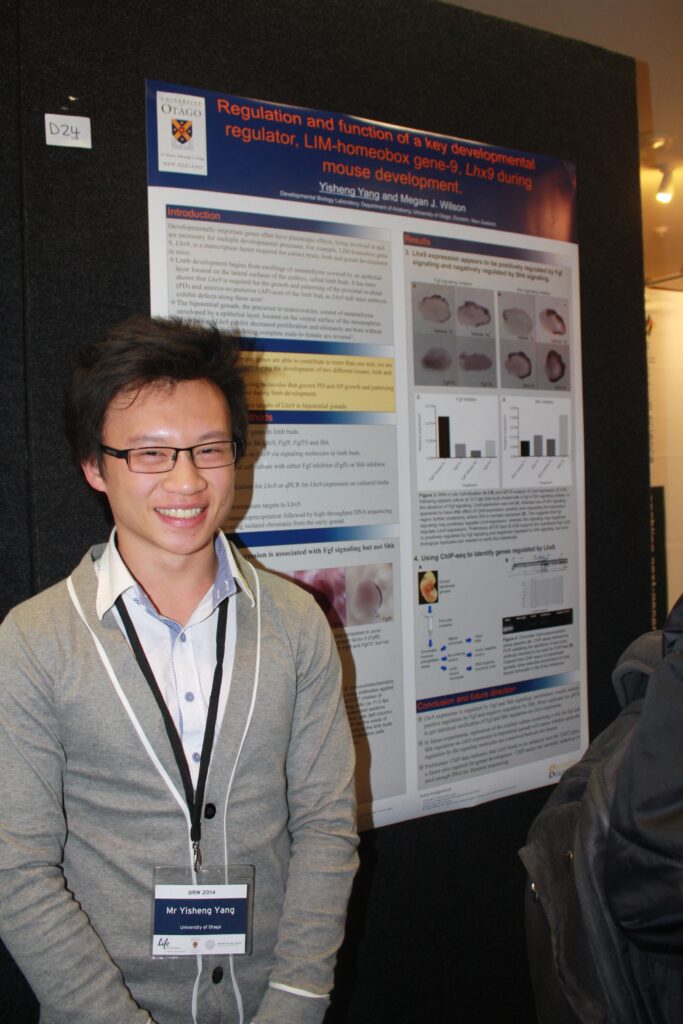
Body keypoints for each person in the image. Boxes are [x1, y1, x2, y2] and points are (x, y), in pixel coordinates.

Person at [0, 316, 359, 1024]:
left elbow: (325, 825)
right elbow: (17, 868)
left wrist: (294, 1002)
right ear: (95, 466)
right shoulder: (34, 640)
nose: (187, 481)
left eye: (208, 449)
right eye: (151, 454)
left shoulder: (294, 622)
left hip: (270, 1003)